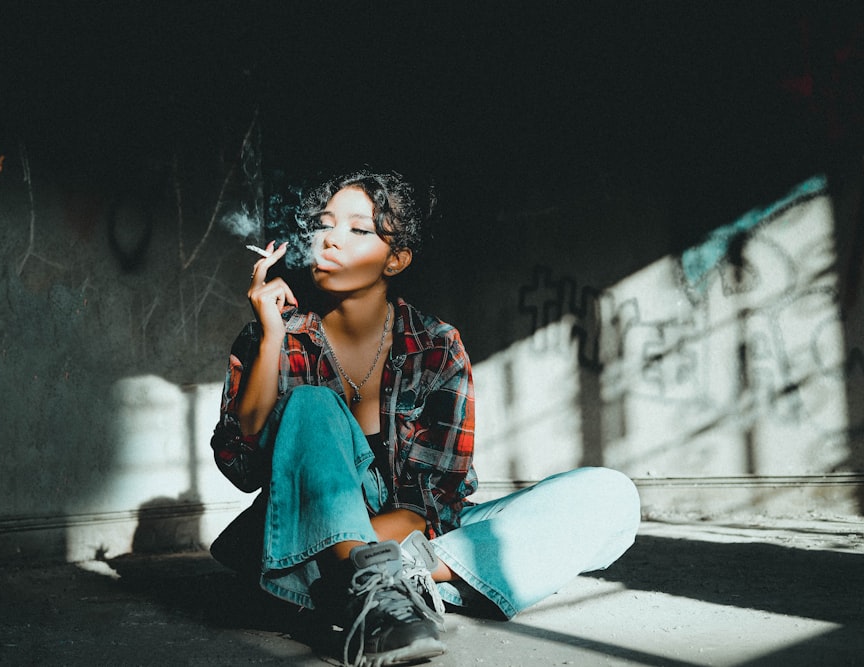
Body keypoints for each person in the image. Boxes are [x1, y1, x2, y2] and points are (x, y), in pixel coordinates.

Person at [210, 170, 641, 667]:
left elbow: (430, 505)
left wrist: (373, 548)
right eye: (324, 225)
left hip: (403, 538)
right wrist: (270, 337)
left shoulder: (435, 345)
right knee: (311, 404)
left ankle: (381, 575)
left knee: (610, 495)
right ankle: (384, 585)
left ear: (396, 259)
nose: (329, 239)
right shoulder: (275, 333)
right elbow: (243, 466)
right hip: (300, 524)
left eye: (357, 229)